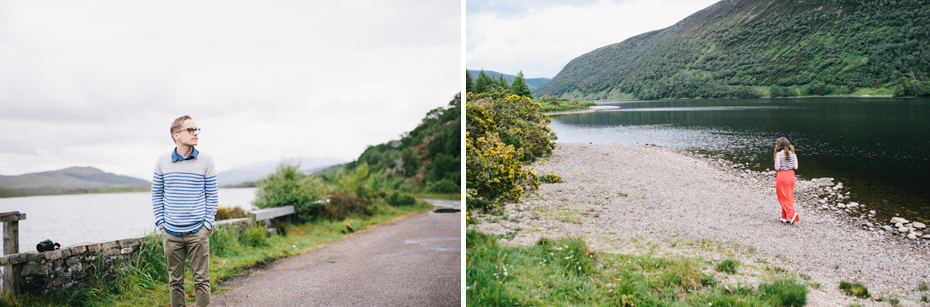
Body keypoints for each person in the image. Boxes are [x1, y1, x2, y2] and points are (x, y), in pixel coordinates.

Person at [152, 115, 218, 307]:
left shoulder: (206, 161)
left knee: (202, 281)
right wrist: (161, 224)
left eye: (196, 129)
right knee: (175, 282)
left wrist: (207, 224)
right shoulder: (162, 161)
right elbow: (156, 194)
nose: (195, 133)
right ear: (176, 135)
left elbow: (212, 196)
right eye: (190, 130)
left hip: (198, 231)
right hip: (171, 233)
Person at [774, 137, 799, 224]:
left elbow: (777, 168)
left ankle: (792, 213)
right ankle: (785, 217)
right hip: (791, 175)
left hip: (783, 175)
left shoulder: (779, 154)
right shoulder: (793, 154)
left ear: (779, 145)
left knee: (782, 196)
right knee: (788, 196)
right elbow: (796, 167)